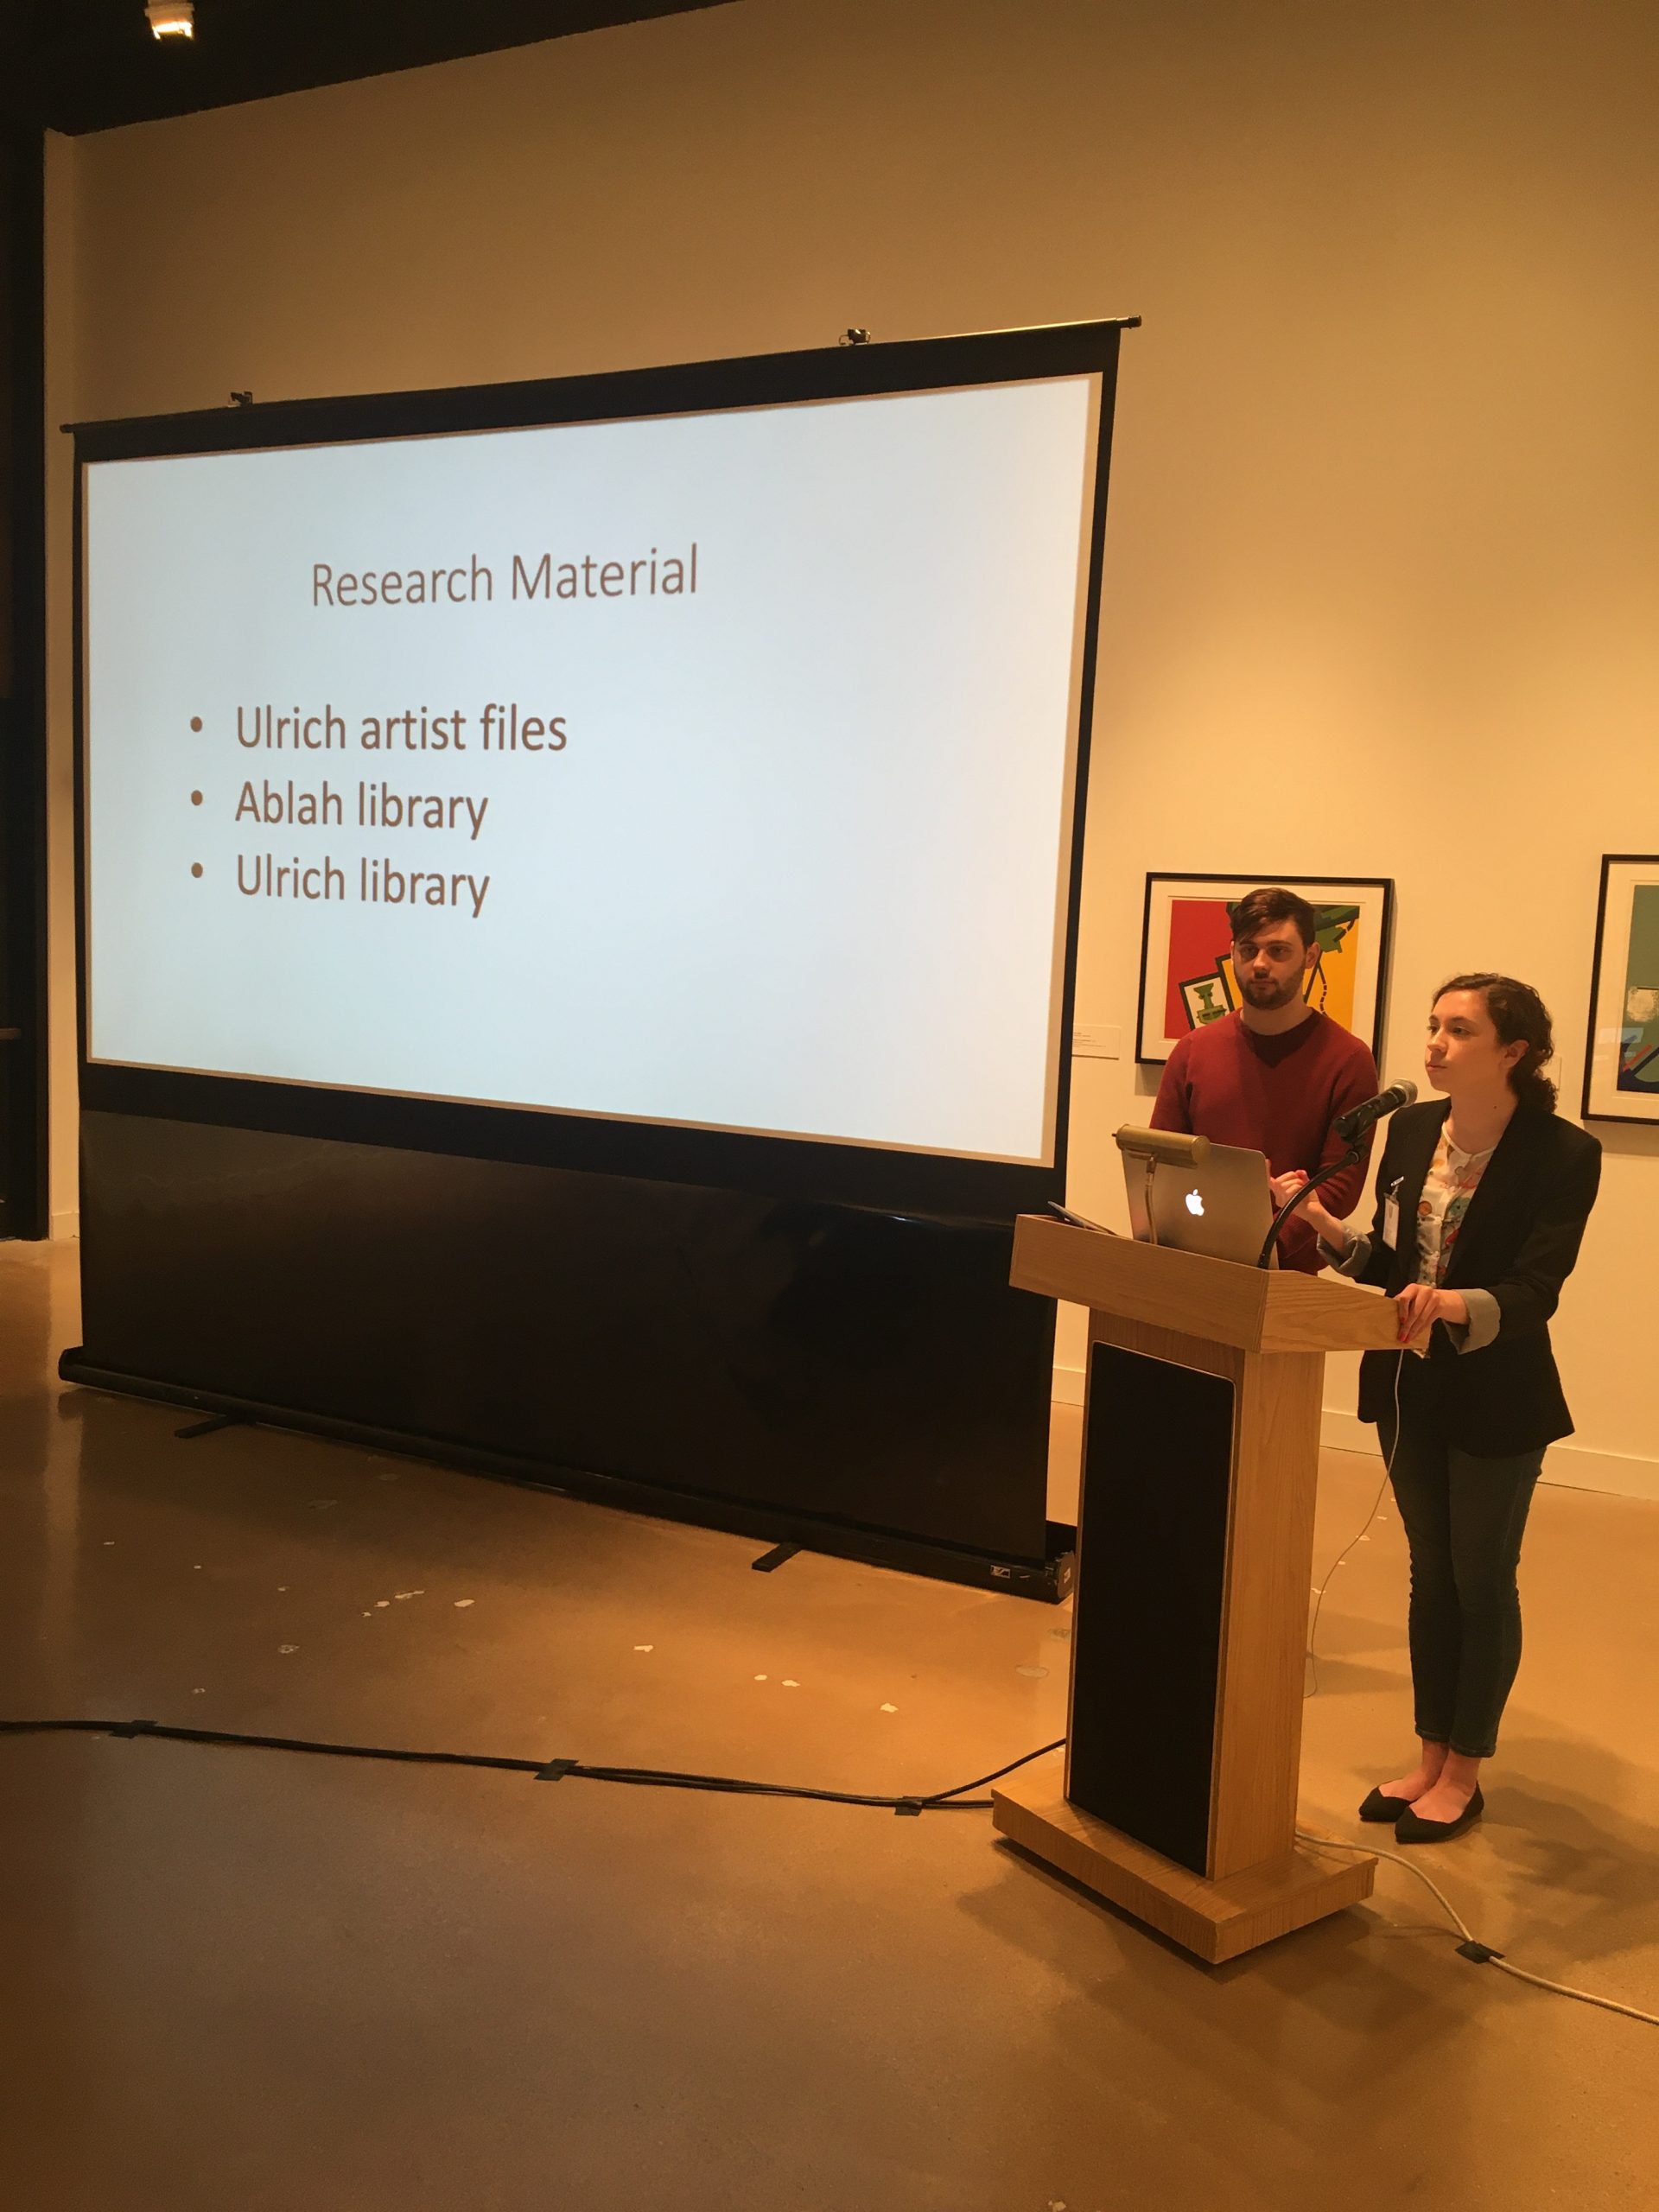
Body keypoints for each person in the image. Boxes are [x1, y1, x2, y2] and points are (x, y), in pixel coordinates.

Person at [1294, 974, 1600, 1843]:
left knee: (1480, 1577)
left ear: (1513, 1052)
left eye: (1457, 1030)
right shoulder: (1413, 1128)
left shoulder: (1563, 1153)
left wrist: (1453, 1302)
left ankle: (1465, 1767)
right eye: (1433, 1026)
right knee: (1431, 1575)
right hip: (1408, 1384)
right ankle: (1427, 1755)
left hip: (1500, 1393)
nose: (1433, 1043)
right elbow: (1395, 1268)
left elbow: (1537, 1290)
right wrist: (1323, 1224)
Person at [1150, 886, 1380, 1271]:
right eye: (1248, 949)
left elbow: (1339, 1185)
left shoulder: (1349, 1060)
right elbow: (1160, 1162)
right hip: (1191, 1261)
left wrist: (1262, 1250)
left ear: (1310, 956)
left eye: (1278, 951)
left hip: (1285, 1275)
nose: (1259, 963)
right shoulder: (1192, 1050)